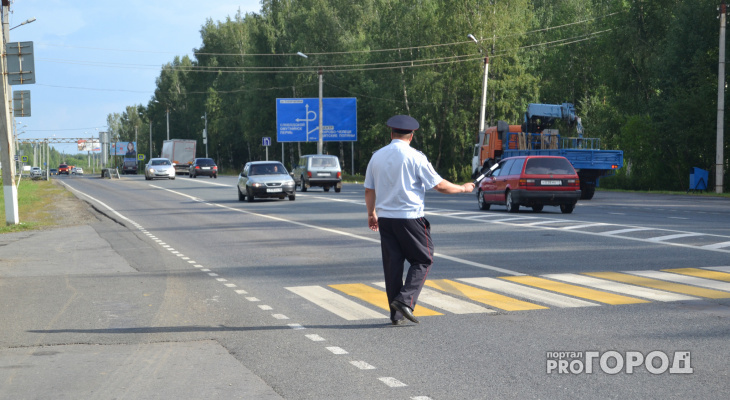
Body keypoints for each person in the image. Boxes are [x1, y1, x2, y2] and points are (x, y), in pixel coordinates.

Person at [364, 115, 475, 325]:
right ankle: (405, 301)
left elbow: (369, 189)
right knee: (424, 258)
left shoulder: (376, 156)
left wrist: (371, 214)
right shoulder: (416, 157)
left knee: (393, 266)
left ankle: (396, 315)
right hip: (410, 218)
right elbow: (439, 185)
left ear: (391, 133)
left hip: (386, 219)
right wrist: (463, 188)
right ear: (412, 135)